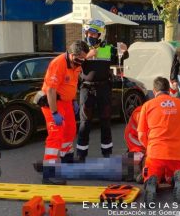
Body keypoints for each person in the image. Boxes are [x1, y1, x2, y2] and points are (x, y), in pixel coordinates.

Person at [137, 77, 180, 205]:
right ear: (168, 90)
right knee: (174, 172)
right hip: (177, 154)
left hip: (156, 153)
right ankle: (176, 178)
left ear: (154, 91)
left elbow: (141, 134)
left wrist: (149, 147)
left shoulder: (147, 105)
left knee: (150, 171)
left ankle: (152, 179)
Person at [76, 19, 129, 160]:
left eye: (93, 34)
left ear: (101, 35)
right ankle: (81, 153)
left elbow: (123, 57)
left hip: (104, 88)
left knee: (105, 120)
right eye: (87, 33)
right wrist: (87, 56)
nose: (90, 36)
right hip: (86, 89)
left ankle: (107, 153)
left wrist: (124, 49)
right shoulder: (80, 48)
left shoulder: (108, 48)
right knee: (85, 122)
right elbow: (72, 63)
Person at [38, 40, 89, 185]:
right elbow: (51, 90)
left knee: (70, 131)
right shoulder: (58, 64)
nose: (81, 62)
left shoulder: (76, 64)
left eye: (84, 59)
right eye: (80, 59)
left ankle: (67, 160)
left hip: (66, 102)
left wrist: (73, 100)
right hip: (53, 103)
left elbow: (72, 84)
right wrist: (54, 112)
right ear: (72, 55)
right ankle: (49, 173)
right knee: (56, 134)